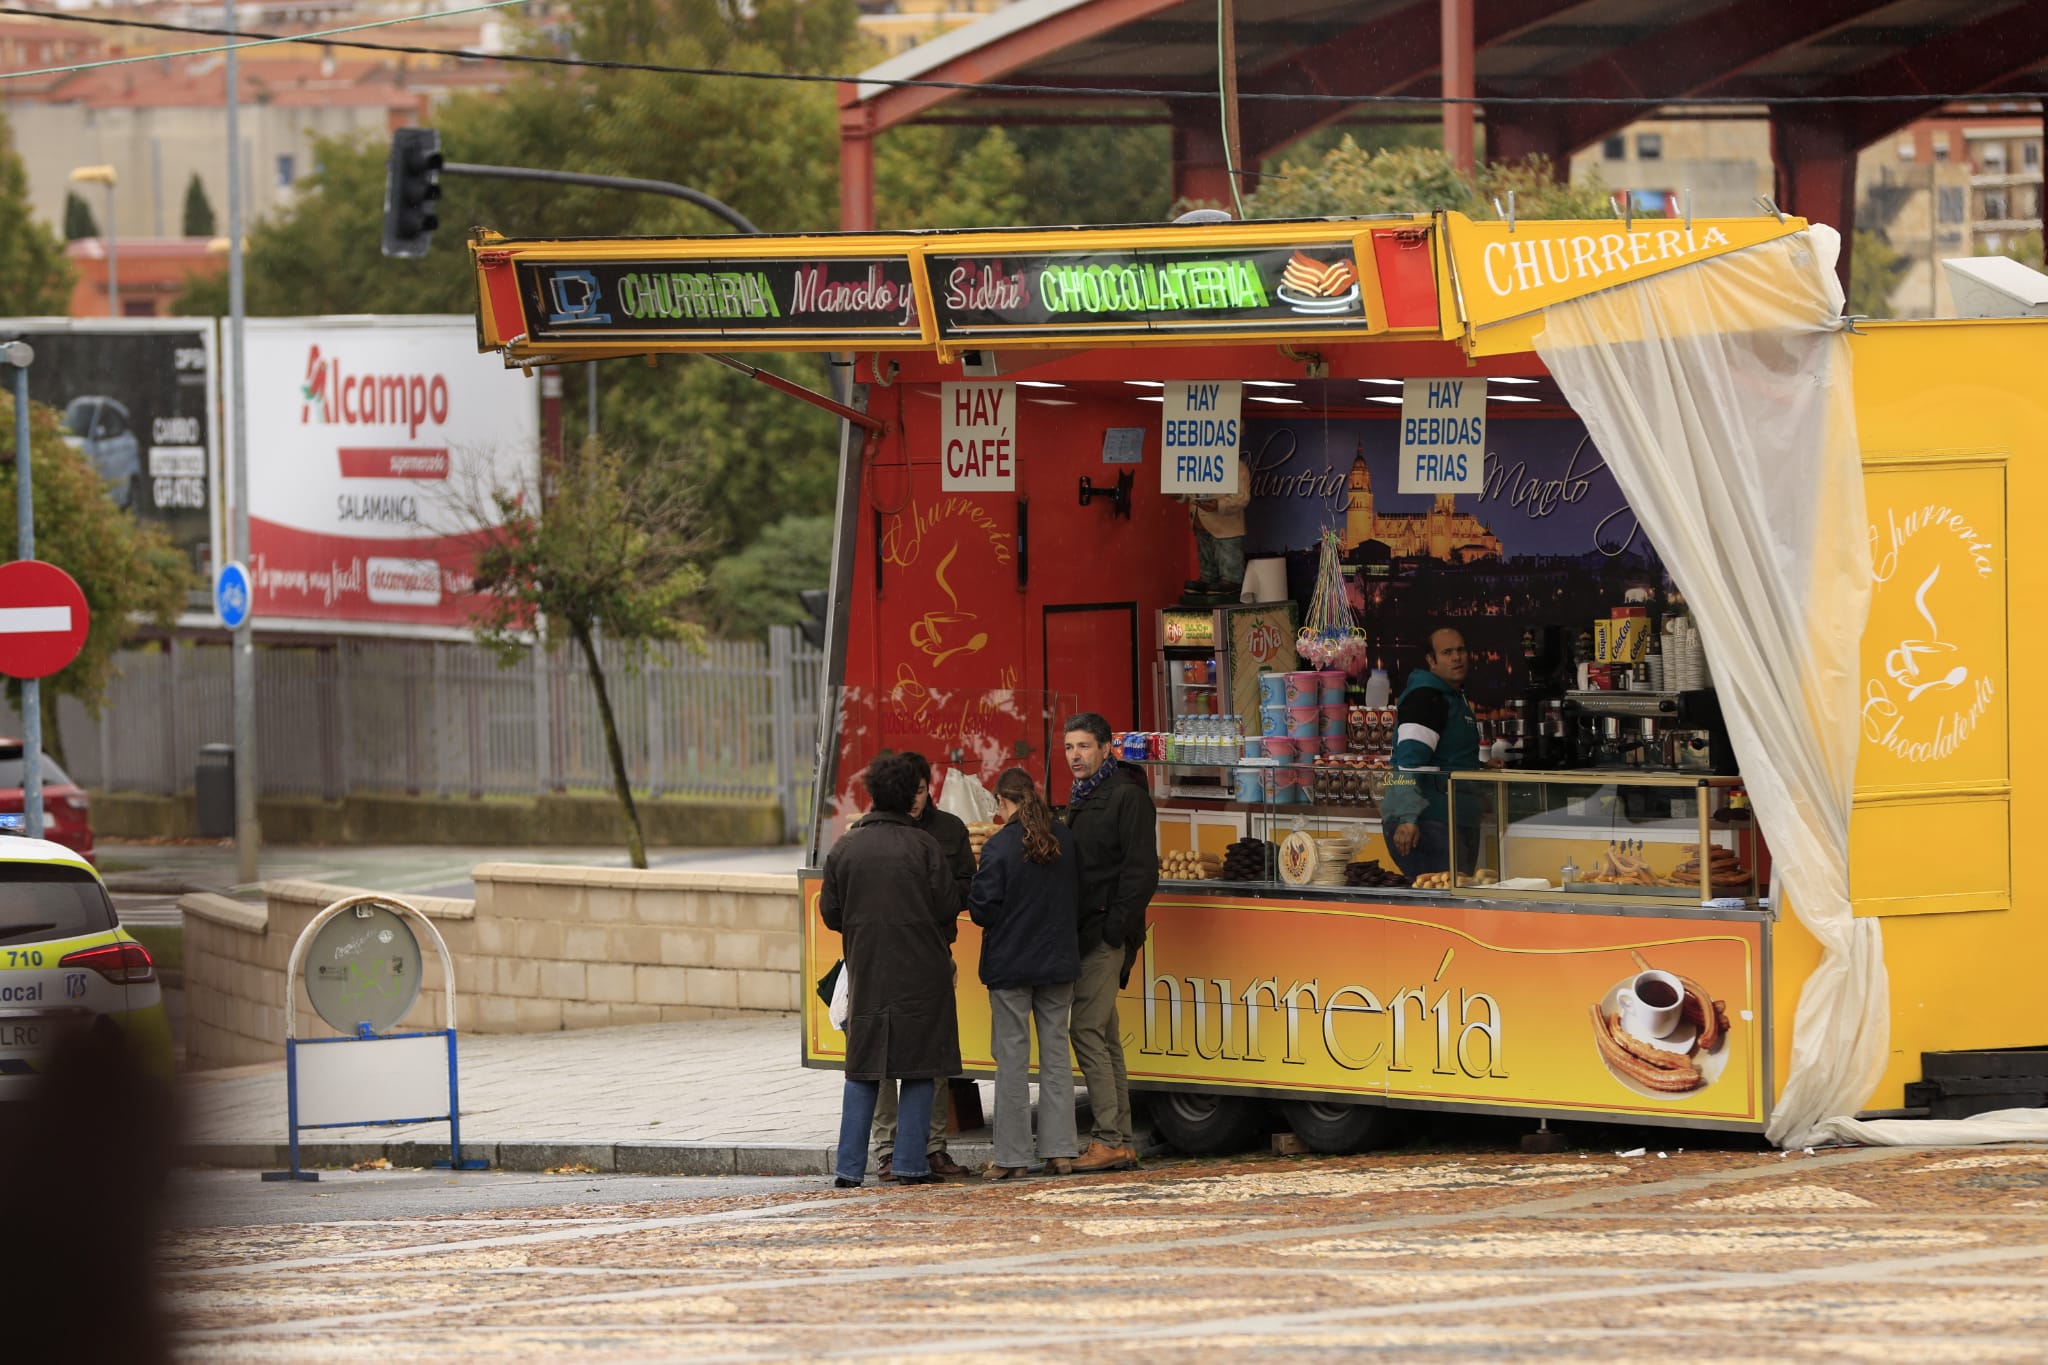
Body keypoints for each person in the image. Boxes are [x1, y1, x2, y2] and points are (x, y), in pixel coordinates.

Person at [820, 752, 961, 1188]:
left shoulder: (845, 848)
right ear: (908, 797)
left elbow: (831, 913)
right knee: (920, 1067)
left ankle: (848, 1168)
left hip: (869, 969)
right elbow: (947, 906)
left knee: (863, 1068)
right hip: (923, 973)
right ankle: (910, 1164)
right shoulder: (925, 847)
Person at [968, 768, 1083, 1180]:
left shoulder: (998, 847)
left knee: (1012, 1061)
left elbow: (982, 909)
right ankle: (1061, 1151)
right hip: (1058, 962)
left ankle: (1012, 1157)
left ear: (1002, 802)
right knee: (1056, 1057)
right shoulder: (1064, 839)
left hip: (1011, 965)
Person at [868, 751, 976, 1180]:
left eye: (920, 789)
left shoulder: (948, 829)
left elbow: (966, 885)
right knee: (881, 1057)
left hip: (933, 952)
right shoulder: (869, 834)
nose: (915, 799)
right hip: (882, 957)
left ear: (929, 787)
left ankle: (933, 1146)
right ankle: (888, 1148)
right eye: (908, 790)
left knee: (932, 1055)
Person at [1060, 712, 1158, 1173]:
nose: (1075, 756)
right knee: (1106, 1036)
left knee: (1085, 1030)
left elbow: (1140, 873)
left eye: (1083, 747)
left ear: (1105, 748)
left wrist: (1114, 929)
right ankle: (1120, 1139)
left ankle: (1106, 1138)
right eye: (1068, 748)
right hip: (1087, 931)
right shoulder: (1082, 796)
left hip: (1104, 933)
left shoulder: (1125, 796)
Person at [1382, 625, 1495, 880]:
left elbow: (1445, 756)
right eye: (1447, 652)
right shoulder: (1425, 698)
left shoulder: (1452, 698)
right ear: (1431, 661)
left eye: (1461, 650)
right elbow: (1408, 763)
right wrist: (1408, 819)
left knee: (1456, 898)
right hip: (1427, 824)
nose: (1456, 657)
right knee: (1441, 903)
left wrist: (1479, 768)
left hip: (1454, 819)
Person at [1186, 454, 1253, 592]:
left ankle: (1231, 580)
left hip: (1226, 527)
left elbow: (1242, 497)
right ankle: (1207, 578)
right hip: (1200, 524)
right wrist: (1179, 494)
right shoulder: (1196, 463)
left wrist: (1219, 505)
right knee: (1205, 556)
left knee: (1228, 555)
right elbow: (1189, 493)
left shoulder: (1236, 467)